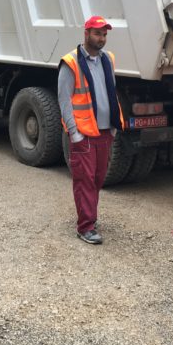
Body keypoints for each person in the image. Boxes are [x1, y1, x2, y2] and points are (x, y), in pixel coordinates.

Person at [58, 16, 125, 245]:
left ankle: (90, 218)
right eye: (97, 33)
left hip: (105, 132)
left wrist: (115, 125)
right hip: (84, 133)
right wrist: (74, 133)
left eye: (104, 34)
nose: (101, 38)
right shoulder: (71, 62)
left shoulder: (108, 59)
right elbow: (64, 100)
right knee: (84, 180)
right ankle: (85, 226)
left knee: (97, 179)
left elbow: (111, 92)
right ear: (86, 34)